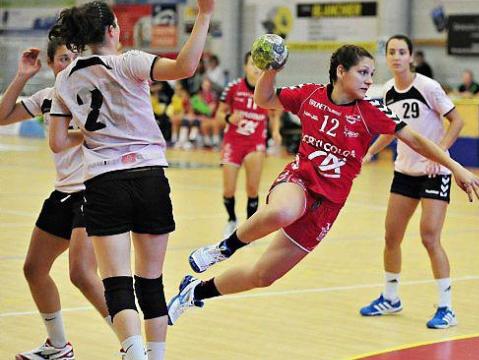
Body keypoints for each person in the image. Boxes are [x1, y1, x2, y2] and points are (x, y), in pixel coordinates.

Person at [166, 44, 479, 326]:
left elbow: (416, 139)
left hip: (328, 205)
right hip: (299, 182)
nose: (369, 80)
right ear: (340, 71)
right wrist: (271, 71)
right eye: (363, 72)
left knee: (263, 276)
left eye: (372, 74)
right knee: (282, 212)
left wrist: (456, 168)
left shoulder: (371, 111)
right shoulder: (311, 95)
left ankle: (195, 291)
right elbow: (263, 98)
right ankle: (221, 249)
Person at [47, 1, 214, 359]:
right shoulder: (129, 62)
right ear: (112, 31)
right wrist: (205, 14)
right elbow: (185, 66)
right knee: (150, 282)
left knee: (116, 282)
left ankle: (133, 353)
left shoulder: (64, 78)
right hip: (149, 175)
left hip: (104, 181)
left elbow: (58, 143)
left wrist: (94, 136)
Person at [0, 39, 115, 360]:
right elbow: (1, 116)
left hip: (94, 190)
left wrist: (71, 135)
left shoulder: (96, 94)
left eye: (76, 57)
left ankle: (135, 346)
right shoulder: (47, 97)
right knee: (34, 269)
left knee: (81, 273)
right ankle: (58, 345)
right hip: (64, 192)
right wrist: (23, 75)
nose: (71, 63)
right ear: (51, 64)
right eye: (63, 58)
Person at [358, 34, 465, 329]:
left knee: (429, 236)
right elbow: (392, 131)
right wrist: (370, 152)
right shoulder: (388, 90)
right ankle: (391, 297)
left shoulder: (428, 87)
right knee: (391, 236)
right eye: (391, 52)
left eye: (401, 52)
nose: (396, 57)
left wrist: (439, 153)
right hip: (404, 172)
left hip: (434, 172)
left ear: (411, 57)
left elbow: (457, 121)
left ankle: (446, 308)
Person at [216, 51, 281, 237]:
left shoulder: (269, 90)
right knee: (228, 189)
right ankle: (231, 220)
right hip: (233, 142)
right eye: (253, 64)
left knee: (252, 188)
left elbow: (276, 113)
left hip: (255, 143)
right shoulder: (233, 88)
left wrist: (275, 131)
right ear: (245, 66)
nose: (256, 68)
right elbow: (219, 116)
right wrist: (229, 117)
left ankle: (250, 227)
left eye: (260, 65)